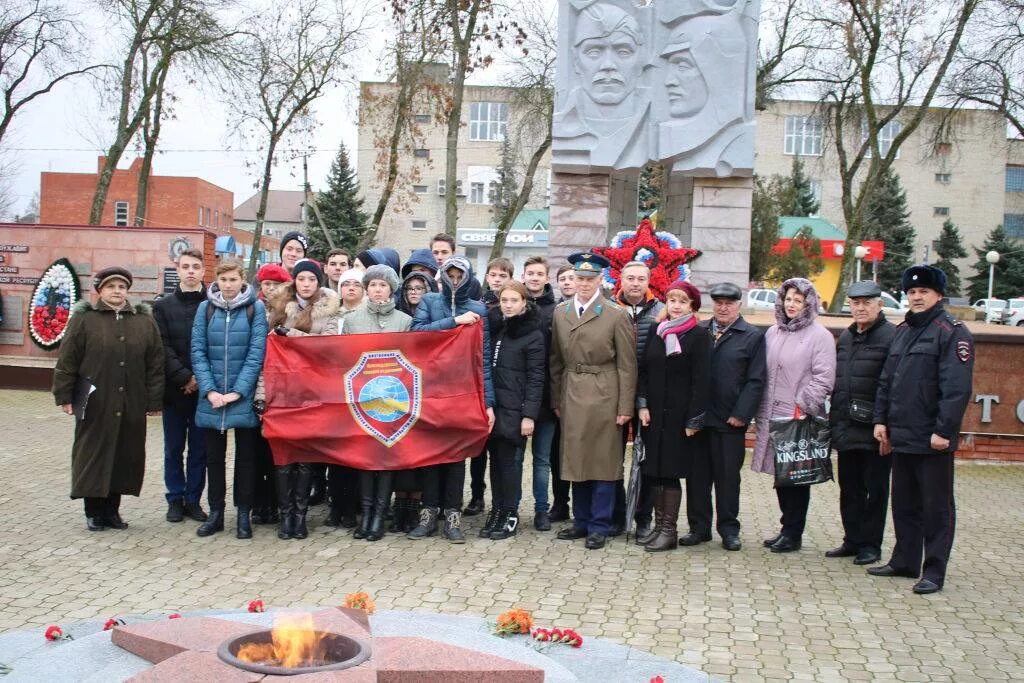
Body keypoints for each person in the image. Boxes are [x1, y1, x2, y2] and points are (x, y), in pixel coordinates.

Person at [869, 265, 974, 594]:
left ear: (938, 295)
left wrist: (944, 430)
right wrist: (881, 420)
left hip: (932, 439)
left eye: (923, 292)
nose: (916, 297)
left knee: (936, 508)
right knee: (904, 504)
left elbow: (956, 388)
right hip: (901, 435)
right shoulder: (902, 331)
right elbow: (887, 380)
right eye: (911, 292)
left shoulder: (952, 332)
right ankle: (905, 560)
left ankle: (934, 571)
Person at [52, 267, 164, 531]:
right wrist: (64, 395)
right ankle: (93, 511)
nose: (117, 291)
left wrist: (153, 401)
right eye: (111, 287)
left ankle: (112, 511)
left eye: (122, 287)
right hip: (93, 399)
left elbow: (155, 363)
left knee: (125, 454)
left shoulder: (143, 321)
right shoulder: (85, 320)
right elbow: (68, 359)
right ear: (100, 290)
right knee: (92, 453)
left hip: (132, 399)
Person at [551, 252, 637, 550]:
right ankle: (581, 520)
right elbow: (555, 361)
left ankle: (600, 524)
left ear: (601, 280)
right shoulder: (561, 312)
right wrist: (556, 398)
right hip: (572, 390)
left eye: (590, 279)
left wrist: (625, 407)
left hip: (604, 392)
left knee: (603, 461)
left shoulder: (615, 314)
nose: (584, 284)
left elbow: (627, 365)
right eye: (580, 279)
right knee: (576, 458)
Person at [409, 255, 495, 542]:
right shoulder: (430, 302)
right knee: (431, 454)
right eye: (450, 275)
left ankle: (453, 515)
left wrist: (488, 402)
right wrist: (453, 321)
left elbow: (482, 359)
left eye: (460, 276)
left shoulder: (479, 309)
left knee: (457, 455)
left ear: (468, 277)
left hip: (463, 391)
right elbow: (416, 334)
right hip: (431, 389)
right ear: (442, 276)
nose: (455, 280)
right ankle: (429, 513)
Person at [751, 277, 836, 553]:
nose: (791, 305)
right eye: (788, 299)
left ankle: (793, 532)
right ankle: (785, 527)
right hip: (772, 415)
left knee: (796, 477)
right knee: (780, 474)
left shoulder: (819, 336)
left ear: (808, 303)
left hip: (798, 417)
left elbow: (824, 378)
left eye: (798, 301)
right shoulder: (773, 332)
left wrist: (804, 404)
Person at [265, 259, 342, 540]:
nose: (306, 284)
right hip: (283, 391)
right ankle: (286, 515)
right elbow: (267, 351)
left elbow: (327, 347)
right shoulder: (276, 309)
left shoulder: (331, 310)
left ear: (318, 282)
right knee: (284, 456)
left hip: (313, 391)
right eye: (301, 279)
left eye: (311, 279)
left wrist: (291, 335)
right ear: (294, 281)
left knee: (306, 456)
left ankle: (300, 515)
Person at [685, 282, 765, 551]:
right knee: (697, 478)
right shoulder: (700, 331)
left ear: (738, 306)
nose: (723, 307)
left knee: (728, 479)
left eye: (729, 303)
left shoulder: (752, 335)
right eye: (718, 302)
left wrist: (742, 415)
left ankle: (729, 530)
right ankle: (698, 528)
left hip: (730, 421)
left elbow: (755, 380)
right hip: (699, 420)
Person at [191, 261, 267, 539]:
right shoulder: (205, 308)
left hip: (241, 395)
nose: (228, 284)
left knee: (246, 459)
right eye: (223, 279)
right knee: (214, 458)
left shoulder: (254, 309)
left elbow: (256, 353)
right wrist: (210, 390)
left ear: (242, 280)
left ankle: (244, 515)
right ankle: (216, 513)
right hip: (211, 398)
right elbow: (197, 351)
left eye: (233, 279)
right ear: (217, 280)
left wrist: (238, 391)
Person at [636, 279, 710, 551]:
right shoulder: (658, 330)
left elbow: (702, 381)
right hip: (655, 414)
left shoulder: (699, 336)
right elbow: (643, 370)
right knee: (654, 471)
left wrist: (694, 419)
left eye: (682, 301)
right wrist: (642, 404)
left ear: (692, 306)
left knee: (671, 472)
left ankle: (669, 530)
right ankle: (658, 527)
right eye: (672, 300)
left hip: (680, 418)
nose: (676, 306)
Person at [827, 281, 896, 566]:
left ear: (880, 305)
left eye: (867, 302)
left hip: (874, 428)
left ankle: (871, 545)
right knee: (850, 488)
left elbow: (891, 384)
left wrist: (885, 422)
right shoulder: (846, 336)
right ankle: (852, 540)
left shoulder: (891, 337)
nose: (861, 307)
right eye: (856, 302)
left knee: (875, 491)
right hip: (846, 424)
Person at [341, 265, 412, 541]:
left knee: (386, 458)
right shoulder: (352, 320)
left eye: (383, 285)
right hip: (361, 398)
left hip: (392, 399)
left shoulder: (404, 321)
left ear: (391, 289)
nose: (377, 289)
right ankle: (366, 513)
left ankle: (380, 515)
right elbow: (343, 358)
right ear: (366, 289)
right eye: (372, 285)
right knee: (365, 458)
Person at [479, 281, 546, 540]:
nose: (508, 305)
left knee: (510, 465)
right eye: (504, 300)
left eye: (513, 301)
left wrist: (529, 415)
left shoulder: (533, 334)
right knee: (495, 464)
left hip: (515, 410)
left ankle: (510, 513)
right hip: (494, 408)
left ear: (524, 303)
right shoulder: (495, 329)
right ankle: (496, 510)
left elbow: (536, 377)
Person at [153, 249, 209, 524]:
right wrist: (184, 378)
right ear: (178, 269)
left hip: (205, 391)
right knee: (173, 448)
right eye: (185, 266)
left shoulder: (213, 304)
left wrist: (199, 379)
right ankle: (175, 499)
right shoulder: (163, 306)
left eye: (195, 266)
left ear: (203, 270)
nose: (190, 271)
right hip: (174, 391)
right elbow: (161, 347)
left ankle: (193, 500)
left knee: (200, 450)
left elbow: (215, 346)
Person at [612, 261, 664, 537]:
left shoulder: (661, 312)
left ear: (648, 282)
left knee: (646, 461)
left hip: (648, 396)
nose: (634, 283)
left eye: (640, 279)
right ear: (620, 279)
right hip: (614, 394)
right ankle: (617, 515)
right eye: (630, 278)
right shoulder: (609, 308)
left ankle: (643, 518)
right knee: (612, 458)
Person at [466, 256, 516, 516]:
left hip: (504, 381)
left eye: (502, 276)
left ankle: (503, 503)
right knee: (478, 448)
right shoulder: (478, 304)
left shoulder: (512, 305)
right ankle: (476, 495)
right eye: (493, 275)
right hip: (479, 378)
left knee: (499, 448)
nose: (496, 280)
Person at [515, 255, 559, 530]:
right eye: (530, 273)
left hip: (545, 396)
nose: (534, 277)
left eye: (539, 273)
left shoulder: (557, 311)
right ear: (524, 275)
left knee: (542, 460)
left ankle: (542, 509)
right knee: (516, 458)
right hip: (517, 396)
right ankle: (512, 507)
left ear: (546, 277)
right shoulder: (513, 306)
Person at [251, 262, 293, 525]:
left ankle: (279, 504)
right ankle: (259, 503)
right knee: (257, 452)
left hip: (283, 386)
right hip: (258, 384)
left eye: (275, 284)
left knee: (279, 452)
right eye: (266, 284)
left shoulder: (289, 312)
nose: (270, 289)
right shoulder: (253, 310)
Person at [549, 263, 576, 521]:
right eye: (563, 279)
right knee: (557, 452)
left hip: (585, 391)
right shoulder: (556, 311)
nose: (567, 283)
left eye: (572, 278)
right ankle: (560, 502)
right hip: (559, 389)